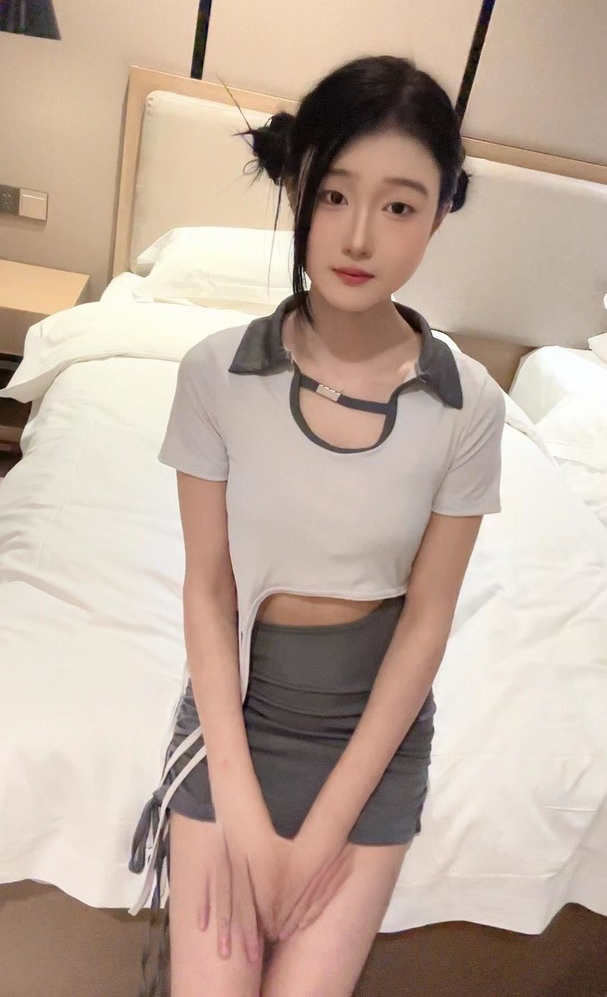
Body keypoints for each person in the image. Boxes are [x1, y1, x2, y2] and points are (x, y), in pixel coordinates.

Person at [128, 54, 506, 997]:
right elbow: (209, 589)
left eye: (399, 205)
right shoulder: (215, 374)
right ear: (297, 186)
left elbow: (426, 621)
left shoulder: (469, 405)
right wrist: (244, 817)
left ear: (439, 213)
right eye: (333, 194)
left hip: (371, 742)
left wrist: (324, 829)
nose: (358, 235)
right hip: (238, 719)